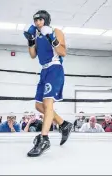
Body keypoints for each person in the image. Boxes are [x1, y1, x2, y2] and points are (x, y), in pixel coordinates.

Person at [23, 10, 73, 157]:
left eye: (40, 20)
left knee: (47, 104)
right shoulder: (37, 36)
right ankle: (64, 124)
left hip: (55, 68)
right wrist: (31, 39)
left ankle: (44, 139)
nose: (38, 23)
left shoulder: (56, 31)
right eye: (35, 20)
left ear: (46, 20)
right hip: (44, 71)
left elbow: (63, 52)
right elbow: (33, 55)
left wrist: (52, 38)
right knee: (38, 106)